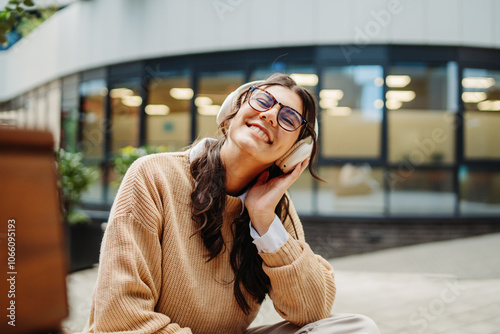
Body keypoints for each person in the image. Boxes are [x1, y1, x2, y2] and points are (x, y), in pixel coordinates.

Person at [81, 73, 379, 333]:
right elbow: (120, 318)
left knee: (356, 328)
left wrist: (263, 219)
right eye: (263, 101)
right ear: (233, 109)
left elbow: (312, 311)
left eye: (289, 118)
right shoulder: (154, 175)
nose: (271, 115)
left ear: (295, 152)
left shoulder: (275, 208)